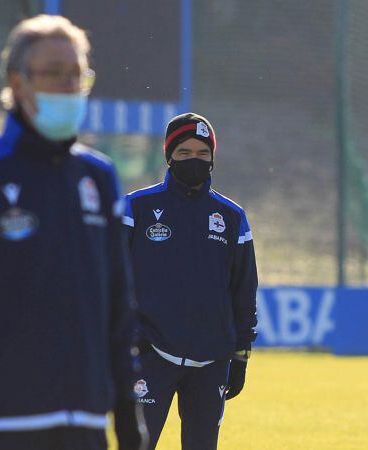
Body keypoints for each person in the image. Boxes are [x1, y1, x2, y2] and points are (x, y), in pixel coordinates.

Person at [0, 15, 146, 450]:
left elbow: (117, 305)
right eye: (53, 73)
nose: (68, 85)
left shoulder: (100, 178)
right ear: (17, 82)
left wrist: (126, 410)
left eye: (77, 74)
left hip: (85, 425)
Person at [122, 112, 258, 449]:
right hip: (149, 353)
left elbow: (244, 289)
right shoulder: (136, 207)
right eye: (184, 153)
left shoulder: (231, 216)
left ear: (212, 158)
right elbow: (109, 277)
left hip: (211, 359)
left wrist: (240, 355)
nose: (194, 160)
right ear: (169, 156)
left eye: (202, 153)